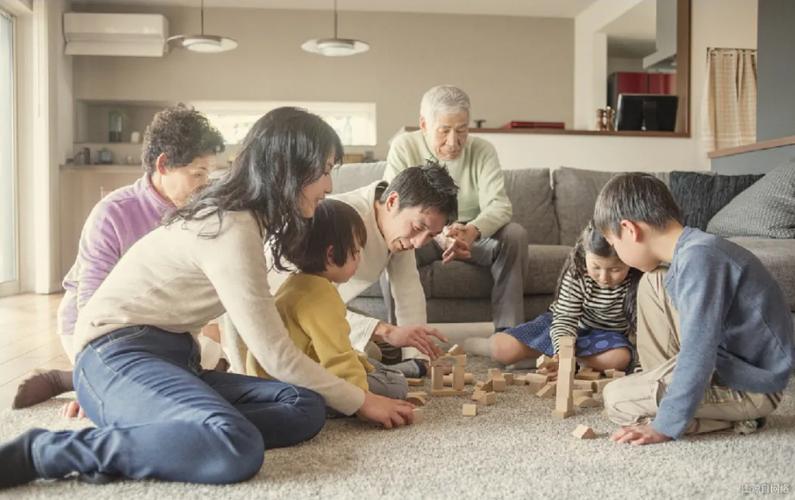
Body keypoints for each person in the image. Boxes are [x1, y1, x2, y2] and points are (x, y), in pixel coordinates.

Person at [0, 107, 414, 490]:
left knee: (303, 406)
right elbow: (276, 354)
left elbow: (258, 327)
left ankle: (157, 433)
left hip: (175, 358)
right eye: (323, 171)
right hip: (117, 354)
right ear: (289, 170)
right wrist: (363, 401)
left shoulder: (249, 221)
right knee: (235, 447)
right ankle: (45, 452)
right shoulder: (229, 227)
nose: (328, 185)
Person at [12, 104, 225, 414]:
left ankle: (72, 378)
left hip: (159, 325)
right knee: (160, 391)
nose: (206, 184)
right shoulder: (112, 213)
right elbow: (90, 305)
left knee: (214, 360)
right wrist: (95, 381)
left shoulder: (196, 213)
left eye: (209, 174)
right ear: (163, 165)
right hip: (96, 325)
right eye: (198, 174)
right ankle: (76, 377)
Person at [592, 173, 793, 446]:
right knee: (654, 281)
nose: (615, 248)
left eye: (613, 242)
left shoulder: (700, 259)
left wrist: (665, 425)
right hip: (727, 365)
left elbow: (700, 349)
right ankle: (666, 390)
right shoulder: (693, 251)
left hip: (751, 387)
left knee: (616, 399)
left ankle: (706, 413)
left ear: (630, 229)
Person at [222, 162, 461, 379]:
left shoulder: (401, 233)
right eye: (418, 228)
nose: (420, 243)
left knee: (371, 352)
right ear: (392, 202)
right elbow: (288, 299)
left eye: (430, 235)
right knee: (362, 357)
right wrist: (384, 330)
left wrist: (417, 358)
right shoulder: (338, 217)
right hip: (275, 314)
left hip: (323, 310)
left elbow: (409, 292)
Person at [384, 84, 529, 333]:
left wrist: (471, 231)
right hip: (423, 237)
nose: (454, 142)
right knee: (391, 241)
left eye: (462, 130)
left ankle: (509, 334)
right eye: (444, 131)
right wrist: (438, 234)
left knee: (515, 234)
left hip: (471, 239)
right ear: (423, 124)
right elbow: (394, 206)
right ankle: (395, 339)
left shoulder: (482, 150)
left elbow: (499, 205)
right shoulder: (404, 147)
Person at [247, 199, 408, 402]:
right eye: (356, 251)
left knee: (368, 361)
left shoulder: (295, 283)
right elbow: (338, 358)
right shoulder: (322, 296)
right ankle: (400, 373)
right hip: (290, 387)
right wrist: (363, 400)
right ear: (331, 255)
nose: (359, 258)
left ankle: (401, 370)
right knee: (396, 386)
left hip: (269, 381)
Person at [470, 220, 641, 373]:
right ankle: (556, 357)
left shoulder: (637, 279)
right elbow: (565, 319)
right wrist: (562, 350)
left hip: (607, 337)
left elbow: (642, 330)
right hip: (563, 327)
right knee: (501, 348)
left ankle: (547, 358)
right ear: (584, 251)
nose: (604, 277)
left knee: (620, 358)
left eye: (615, 270)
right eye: (596, 267)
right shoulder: (577, 272)